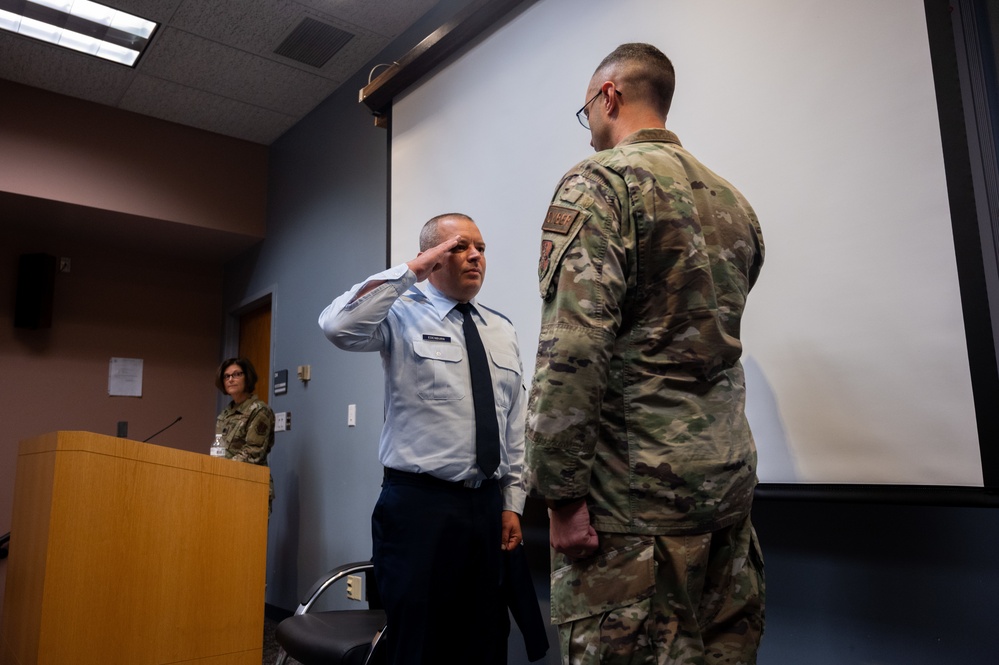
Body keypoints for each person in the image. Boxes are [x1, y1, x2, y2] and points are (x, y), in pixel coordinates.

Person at [526, 43, 766, 664]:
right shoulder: (734, 203)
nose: (591, 131)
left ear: (609, 95)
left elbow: (573, 350)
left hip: (632, 513)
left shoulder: (600, 182)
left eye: (588, 112)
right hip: (725, 502)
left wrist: (560, 497)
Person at [318, 213, 528, 665]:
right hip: (419, 506)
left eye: (481, 247)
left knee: (486, 635)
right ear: (432, 257)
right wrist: (411, 270)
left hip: (487, 506)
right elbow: (337, 327)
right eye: (458, 246)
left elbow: (513, 422)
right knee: (419, 640)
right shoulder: (399, 312)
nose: (475, 256)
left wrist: (512, 502)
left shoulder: (502, 328)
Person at [215, 357, 277, 511]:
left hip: (251, 486)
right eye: (227, 376)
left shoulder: (259, 411)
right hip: (226, 484)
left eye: (237, 374)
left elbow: (253, 453)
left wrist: (223, 469)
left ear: (247, 377)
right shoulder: (225, 414)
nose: (231, 379)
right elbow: (219, 448)